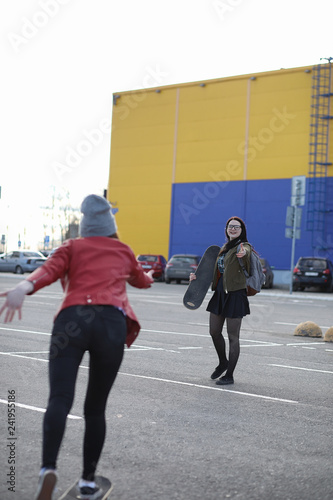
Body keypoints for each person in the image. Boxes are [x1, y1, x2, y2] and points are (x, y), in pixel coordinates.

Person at [0, 194, 154, 500]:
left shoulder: (72, 247)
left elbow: (48, 271)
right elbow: (141, 281)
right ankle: (86, 482)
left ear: (85, 226)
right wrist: (148, 276)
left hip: (71, 322)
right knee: (95, 409)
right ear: (110, 224)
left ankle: (48, 470)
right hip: (110, 324)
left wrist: (22, 287)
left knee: (59, 398)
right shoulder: (123, 250)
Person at [190, 216, 251, 386]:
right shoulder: (223, 248)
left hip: (235, 295)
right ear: (226, 229)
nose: (232, 229)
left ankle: (229, 375)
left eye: (236, 227)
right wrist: (197, 278)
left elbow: (245, 257)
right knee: (214, 332)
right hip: (219, 294)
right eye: (230, 226)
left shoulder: (243, 246)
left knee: (233, 337)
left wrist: (243, 254)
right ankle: (223, 362)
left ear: (242, 230)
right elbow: (216, 273)